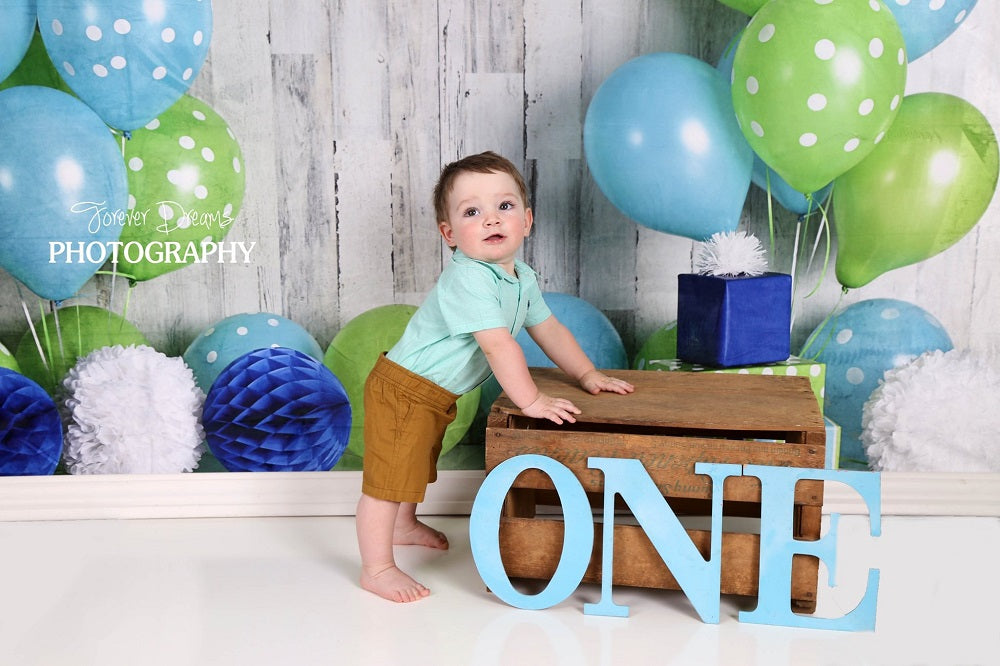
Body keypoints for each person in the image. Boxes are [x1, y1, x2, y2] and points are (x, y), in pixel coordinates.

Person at [355, 151, 635, 603]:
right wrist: (531, 401)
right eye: (472, 212)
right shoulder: (468, 278)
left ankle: (404, 526)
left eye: (503, 207)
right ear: (449, 234)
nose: (490, 220)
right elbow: (498, 345)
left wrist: (585, 373)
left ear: (527, 220)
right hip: (404, 390)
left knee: (414, 464)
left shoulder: (520, 277)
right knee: (387, 481)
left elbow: (548, 328)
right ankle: (377, 567)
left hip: (430, 394)